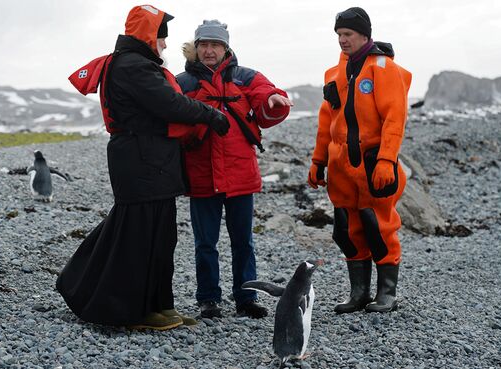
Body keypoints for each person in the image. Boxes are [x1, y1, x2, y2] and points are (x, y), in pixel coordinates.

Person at [57, 5, 230, 330]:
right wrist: (211, 115)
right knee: (140, 238)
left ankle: (156, 307)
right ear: (149, 36)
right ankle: (128, 309)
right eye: (161, 38)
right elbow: (169, 103)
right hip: (142, 160)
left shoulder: (131, 63)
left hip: (147, 160)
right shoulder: (133, 66)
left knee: (152, 235)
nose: (164, 45)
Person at [175, 20, 293, 319]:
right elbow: (166, 110)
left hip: (240, 176)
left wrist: (273, 100)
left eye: (215, 45)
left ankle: (246, 297)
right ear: (196, 48)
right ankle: (208, 299)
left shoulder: (245, 77)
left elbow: (266, 95)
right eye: (203, 45)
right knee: (205, 244)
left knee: (243, 242)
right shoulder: (182, 82)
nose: (209, 50)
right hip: (201, 176)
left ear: (225, 48)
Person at [308, 7, 411, 313]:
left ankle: (387, 293)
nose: (342, 40)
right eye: (339, 34)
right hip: (341, 165)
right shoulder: (335, 73)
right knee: (347, 229)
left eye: (348, 34)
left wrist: (386, 160)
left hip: (372, 162)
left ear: (364, 34)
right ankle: (359, 293)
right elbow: (327, 119)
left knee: (377, 226)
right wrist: (318, 161)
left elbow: (395, 118)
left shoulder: (384, 69)